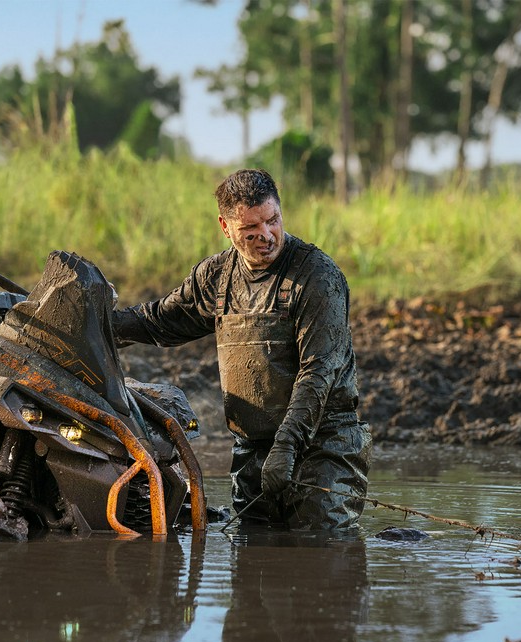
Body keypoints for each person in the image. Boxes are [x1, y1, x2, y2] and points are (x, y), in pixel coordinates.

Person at [113, 168, 371, 529]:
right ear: (225, 227)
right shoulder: (216, 276)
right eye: (250, 230)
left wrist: (286, 447)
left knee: (320, 548)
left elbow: (319, 371)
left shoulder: (317, 277)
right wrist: (99, 324)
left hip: (323, 445)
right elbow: (159, 321)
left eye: (272, 220)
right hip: (251, 450)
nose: (265, 235)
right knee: (251, 553)